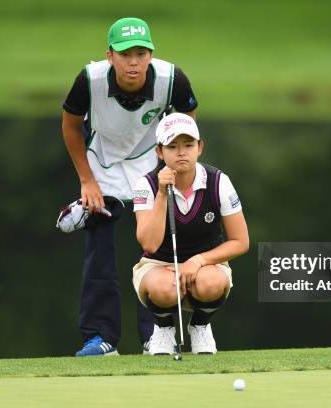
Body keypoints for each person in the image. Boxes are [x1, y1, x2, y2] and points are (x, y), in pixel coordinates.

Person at [61, 17, 198, 356]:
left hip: (150, 167)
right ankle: (100, 338)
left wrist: (176, 169)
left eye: (140, 53)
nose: (133, 62)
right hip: (102, 165)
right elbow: (71, 125)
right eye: (125, 54)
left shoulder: (171, 79)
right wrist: (86, 181)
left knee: (155, 252)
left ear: (150, 54)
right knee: (100, 255)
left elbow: (186, 123)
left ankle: (156, 335)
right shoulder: (89, 79)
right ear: (110, 56)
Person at [131, 113, 249, 355]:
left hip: (206, 268)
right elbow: (149, 244)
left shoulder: (218, 182)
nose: (181, 152)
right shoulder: (148, 185)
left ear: (200, 147)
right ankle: (163, 328)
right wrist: (163, 193)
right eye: (172, 146)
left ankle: (200, 325)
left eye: (188, 145)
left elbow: (240, 242)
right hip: (157, 266)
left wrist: (199, 260)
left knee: (212, 282)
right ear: (160, 152)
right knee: (165, 288)